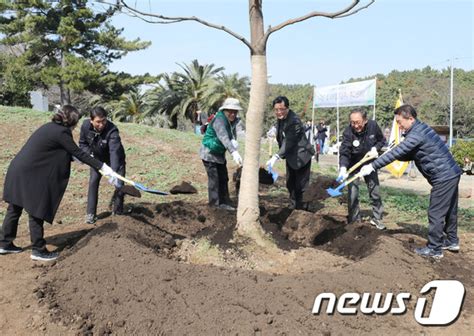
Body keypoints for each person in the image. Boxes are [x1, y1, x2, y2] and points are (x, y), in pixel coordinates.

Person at [0, 105, 119, 261]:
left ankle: (4, 243)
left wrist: (74, 158)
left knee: (15, 207)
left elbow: (58, 151)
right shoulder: (62, 132)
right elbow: (78, 153)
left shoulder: (49, 127)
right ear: (71, 121)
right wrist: (104, 167)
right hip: (30, 174)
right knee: (36, 208)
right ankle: (38, 249)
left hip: (18, 170)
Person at [360, 104, 462, 259]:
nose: (399, 126)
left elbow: (399, 152)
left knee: (436, 212)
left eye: (400, 122)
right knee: (449, 210)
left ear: (410, 118)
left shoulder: (416, 134)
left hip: (443, 176)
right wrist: (381, 151)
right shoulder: (419, 130)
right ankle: (452, 241)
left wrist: (372, 166)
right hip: (451, 173)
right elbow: (408, 154)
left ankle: (434, 249)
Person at [338, 108, 386, 230]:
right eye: (352, 122)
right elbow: (344, 152)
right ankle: (354, 219)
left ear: (365, 120)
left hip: (369, 164)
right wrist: (343, 168)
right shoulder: (348, 132)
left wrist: (376, 148)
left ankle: (377, 218)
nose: (355, 125)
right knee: (353, 194)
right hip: (353, 164)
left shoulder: (373, 126)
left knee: (374, 191)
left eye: (358, 122)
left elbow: (381, 140)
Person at [79, 106, 126, 224]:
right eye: (98, 122)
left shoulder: (112, 130)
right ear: (91, 120)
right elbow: (82, 144)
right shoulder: (85, 126)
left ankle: (118, 211)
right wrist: (89, 156)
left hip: (115, 160)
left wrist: (113, 172)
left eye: (104, 120)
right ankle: (90, 214)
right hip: (97, 159)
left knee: (119, 184)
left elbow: (114, 152)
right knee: (93, 182)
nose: (101, 124)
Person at [266, 96, 315, 210]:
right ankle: (293, 206)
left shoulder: (294, 121)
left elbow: (289, 141)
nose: (279, 112)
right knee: (290, 183)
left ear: (287, 108)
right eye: (276, 110)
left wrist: (276, 156)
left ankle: (303, 209)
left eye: (282, 109)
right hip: (290, 156)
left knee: (301, 185)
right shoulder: (281, 119)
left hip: (302, 156)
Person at [200, 98, 243, 211]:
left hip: (219, 153)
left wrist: (234, 143)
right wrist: (233, 151)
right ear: (224, 110)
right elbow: (223, 136)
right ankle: (214, 206)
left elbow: (232, 135)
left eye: (235, 111)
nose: (233, 114)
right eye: (230, 111)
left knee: (224, 177)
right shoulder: (219, 120)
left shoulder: (233, 121)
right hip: (209, 152)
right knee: (214, 179)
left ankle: (224, 201)